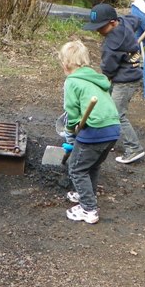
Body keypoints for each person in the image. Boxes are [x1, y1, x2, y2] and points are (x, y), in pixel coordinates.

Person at [58, 40, 121, 224]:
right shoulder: (96, 79)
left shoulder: (73, 81)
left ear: (66, 63)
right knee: (91, 165)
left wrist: (70, 132)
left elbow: (72, 111)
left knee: (76, 168)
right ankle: (86, 195)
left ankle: (89, 210)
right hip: (113, 129)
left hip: (95, 130)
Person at [83, 4, 145, 165]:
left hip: (125, 82)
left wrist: (101, 82)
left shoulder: (112, 43)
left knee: (117, 114)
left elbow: (108, 68)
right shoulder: (124, 22)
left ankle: (134, 148)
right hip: (127, 76)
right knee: (108, 107)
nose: (98, 31)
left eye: (100, 27)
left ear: (112, 22)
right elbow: (136, 19)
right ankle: (108, 138)